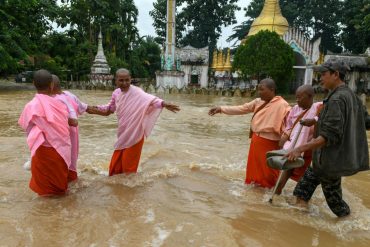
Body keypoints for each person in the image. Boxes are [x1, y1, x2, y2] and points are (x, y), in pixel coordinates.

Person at [286, 60, 369, 217]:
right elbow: (365, 121)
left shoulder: (337, 99)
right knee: (301, 193)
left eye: (323, 74)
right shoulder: (351, 95)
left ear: (336, 74)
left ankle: (352, 233)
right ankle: (301, 228)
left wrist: (299, 148)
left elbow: (328, 136)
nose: (320, 78)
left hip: (329, 162)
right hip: (323, 160)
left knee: (337, 207)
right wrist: (316, 121)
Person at [88, 68, 180, 176]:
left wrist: (164, 104)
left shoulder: (137, 92)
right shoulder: (116, 93)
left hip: (135, 134)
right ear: (116, 81)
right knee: (114, 170)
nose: (124, 83)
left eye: (127, 80)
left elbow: (151, 100)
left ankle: (130, 191)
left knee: (129, 172)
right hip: (123, 134)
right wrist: (92, 109)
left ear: (130, 79)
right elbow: (109, 109)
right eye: (121, 80)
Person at [208, 78, 291, 188]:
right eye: (258, 90)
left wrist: (285, 137)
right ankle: (254, 189)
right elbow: (242, 108)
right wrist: (221, 109)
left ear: (272, 89)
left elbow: (290, 124)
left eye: (262, 89)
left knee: (269, 171)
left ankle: (271, 190)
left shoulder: (283, 105)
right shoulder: (258, 102)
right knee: (254, 168)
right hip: (256, 139)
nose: (259, 92)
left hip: (272, 142)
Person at [18, 69, 72, 196]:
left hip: (42, 150)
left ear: (33, 83)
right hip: (61, 150)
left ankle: (45, 214)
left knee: (44, 192)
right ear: (52, 85)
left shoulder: (30, 106)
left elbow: (27, 127)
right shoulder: (60, 105)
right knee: (59, 190)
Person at [274, 85, 322, 195]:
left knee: (306, 179)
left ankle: (300, 198)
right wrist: (284, 138)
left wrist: (314, 120)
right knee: (286, 171)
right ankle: (276, 194)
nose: (297, 100)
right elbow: (289, 126)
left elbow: (326, 118)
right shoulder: (295, 109)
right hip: (294, 147)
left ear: (310, 97)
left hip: (310, 149)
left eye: (300, 97)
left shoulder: (320, 107)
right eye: (296, 97)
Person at [52, 75, 90, 181]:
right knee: (71, 163)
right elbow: (84, 107)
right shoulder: (68, 95)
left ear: (50, 86)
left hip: (61, 139)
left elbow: (71, 121)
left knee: (61, 167)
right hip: (73, 137)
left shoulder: (51, 100)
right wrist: (106, 110)